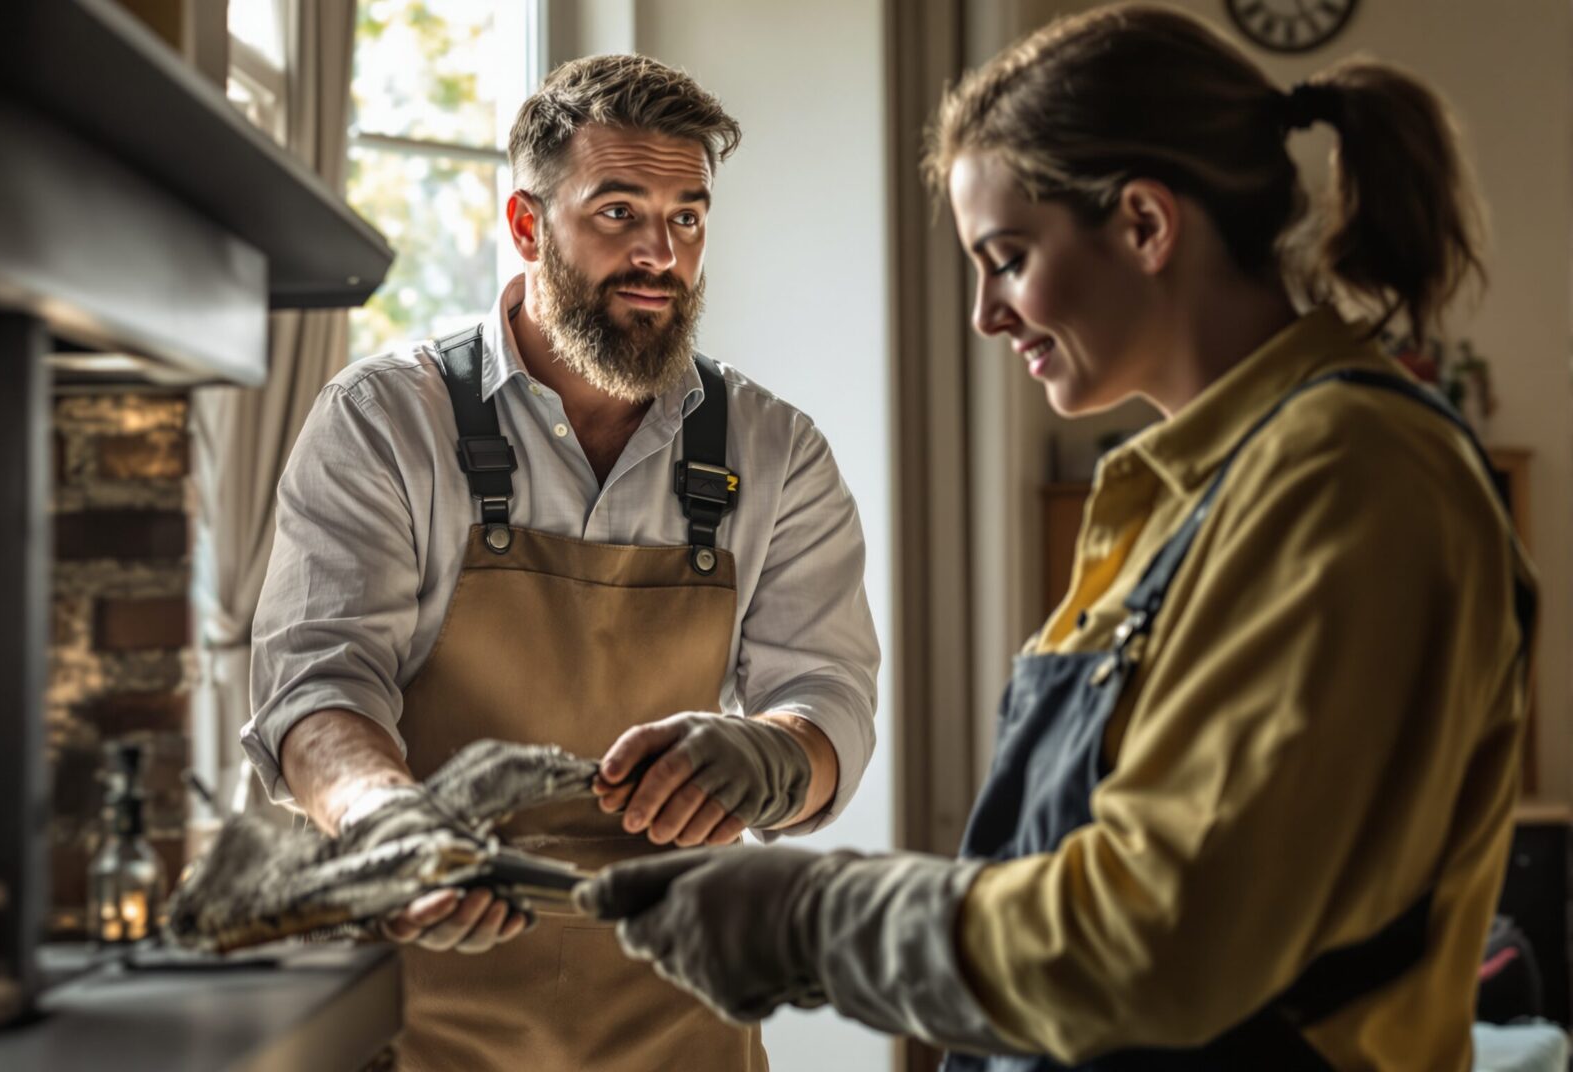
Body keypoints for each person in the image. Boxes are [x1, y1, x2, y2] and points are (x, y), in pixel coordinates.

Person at [581, 7, 1538, 1071]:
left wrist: (810, 913)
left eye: (1009, 257)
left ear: (1142, 223)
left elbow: (1162, 937)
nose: (987, 313)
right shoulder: (1183, 489)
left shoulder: (1351, 478)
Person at [241, 54, 881, 1071]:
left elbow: (829, 698)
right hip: (420, 1011)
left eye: (686, 217)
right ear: (529, 225)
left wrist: (771, 754)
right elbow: (315, 687)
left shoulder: (775, 451)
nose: (659, 255)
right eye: (618, 212)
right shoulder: (385, 421)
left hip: (682, 1020)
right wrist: (389, 821)